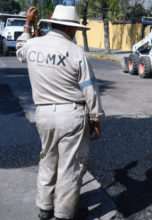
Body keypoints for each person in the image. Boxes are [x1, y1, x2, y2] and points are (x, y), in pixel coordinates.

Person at [16, 5, 105, 220]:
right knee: (70, 167)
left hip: (43, 115)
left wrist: (28, 24)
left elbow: (20, 49)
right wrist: (96, 118)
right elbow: (89, 90)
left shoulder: (33, 45)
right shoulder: (76, 52)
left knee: (47, 158)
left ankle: (45, 207)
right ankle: (63, 213)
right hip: (71, 116)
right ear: (71, 29)